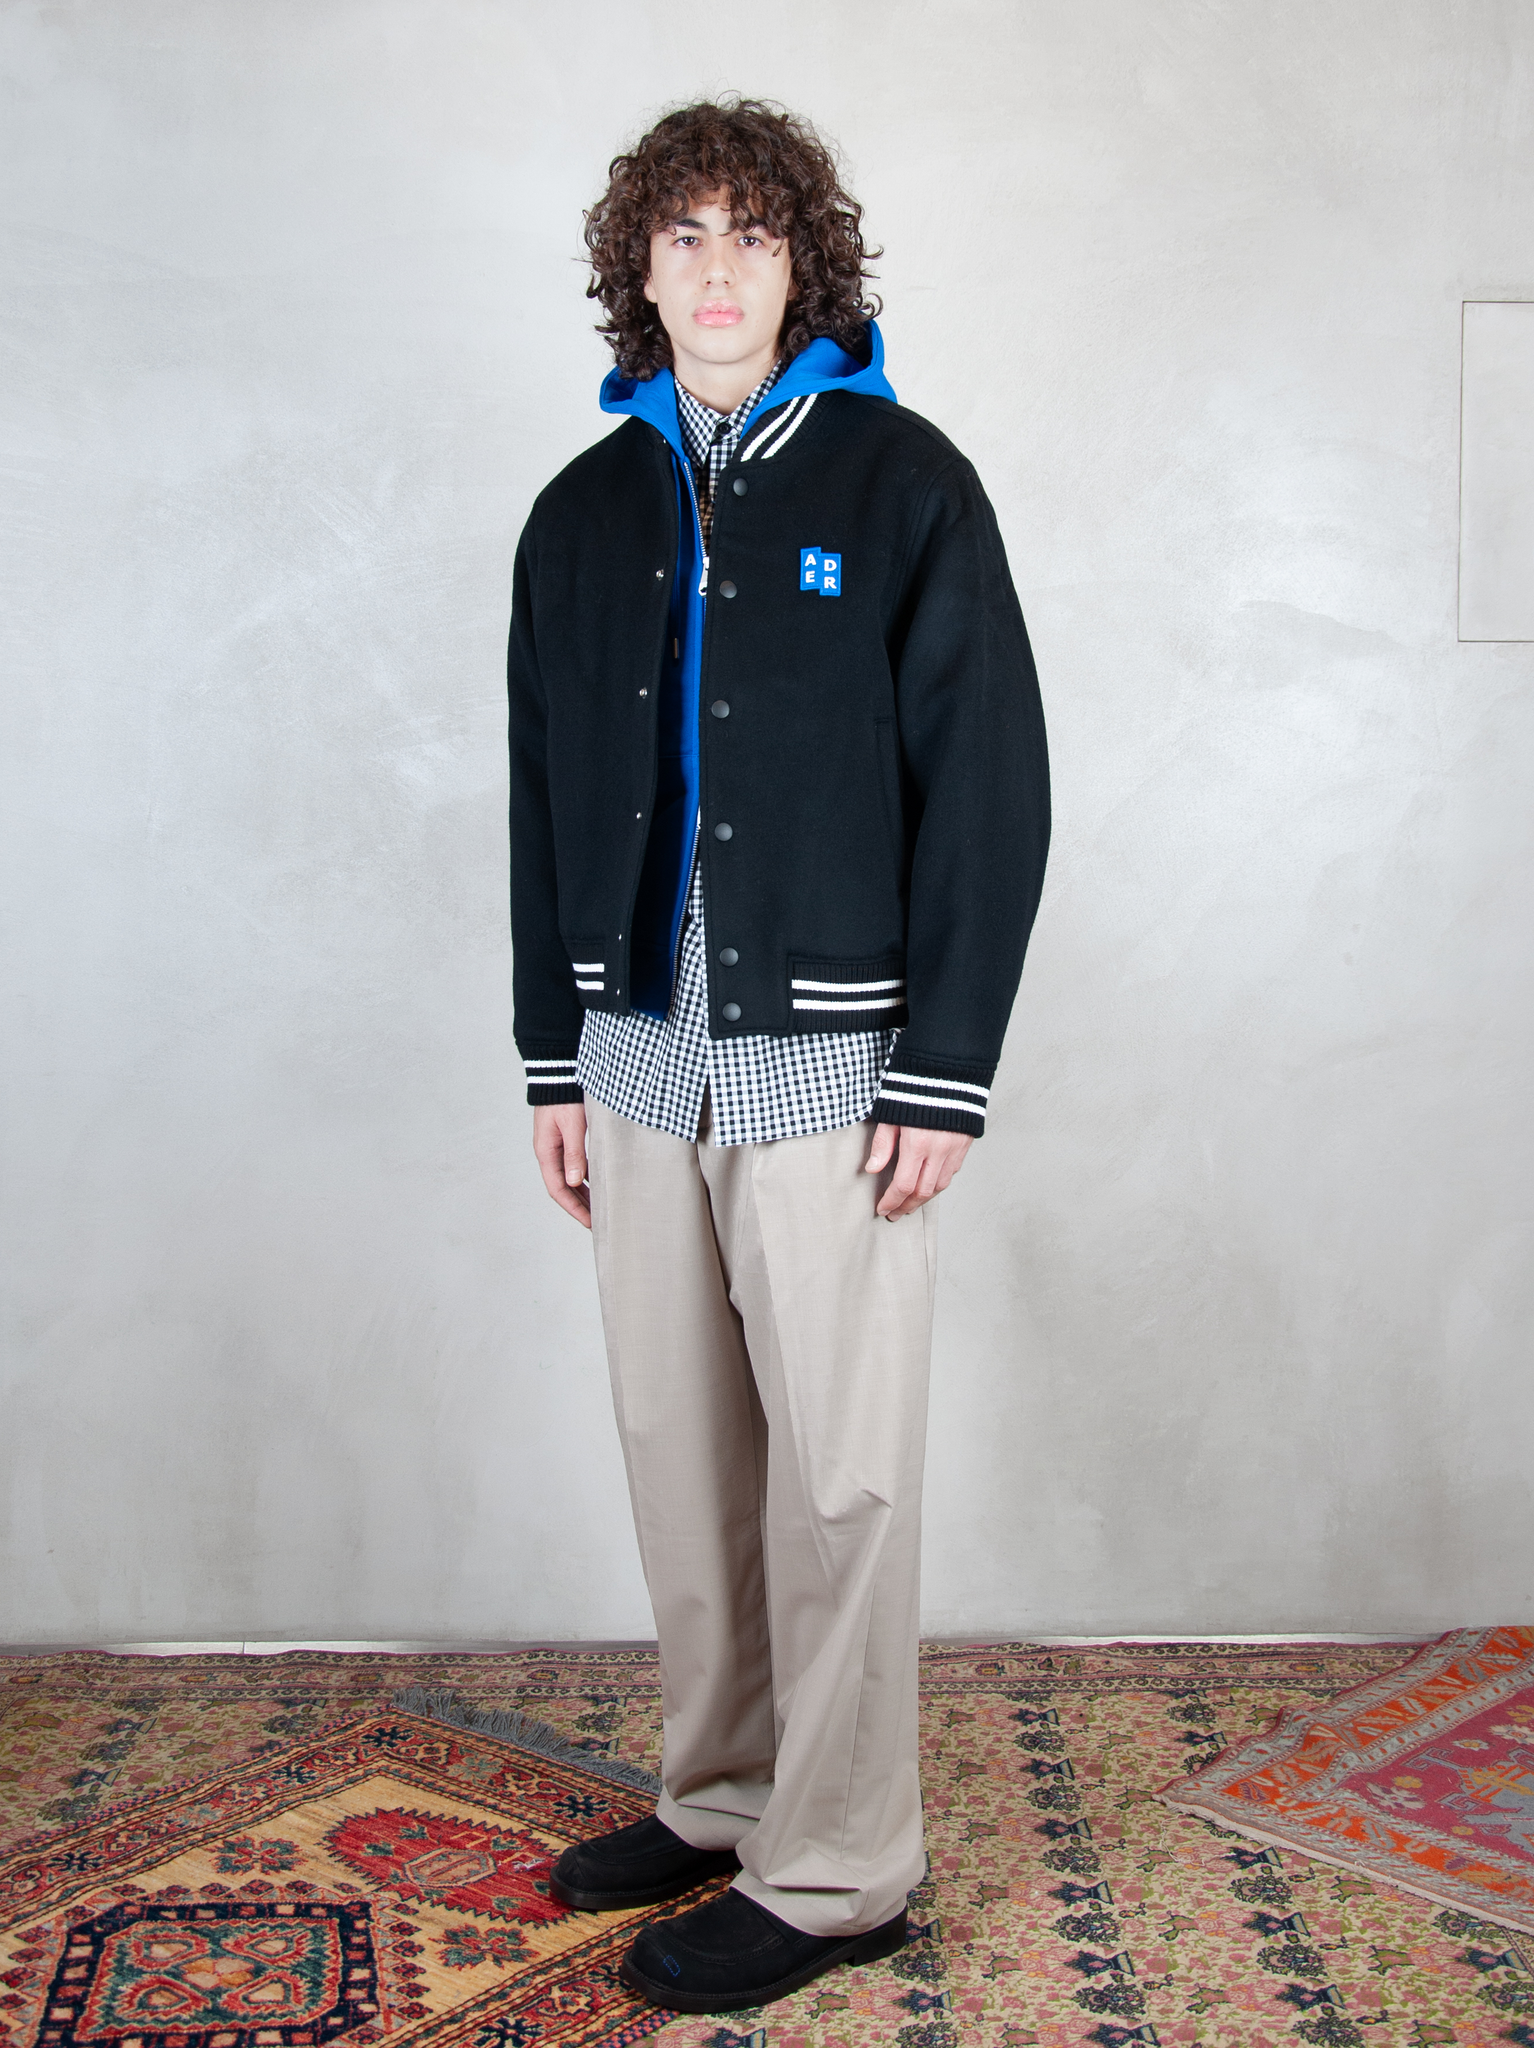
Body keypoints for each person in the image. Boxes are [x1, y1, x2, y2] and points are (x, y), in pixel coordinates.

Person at [507, 97, 1049, 2016]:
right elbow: (539, 795)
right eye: (684, 236)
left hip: (835, 1067)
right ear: (638, 274)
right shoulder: (579, 515)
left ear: (802, 264)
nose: (718, 268)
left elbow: (987, 786)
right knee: (684, 1461)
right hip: (638, 1058)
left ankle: (835, 1872)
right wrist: (551, 1056)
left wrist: (944, 1067)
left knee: (836, 1483)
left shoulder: (905, 485)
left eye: (752, 233)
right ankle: (724, 1794)